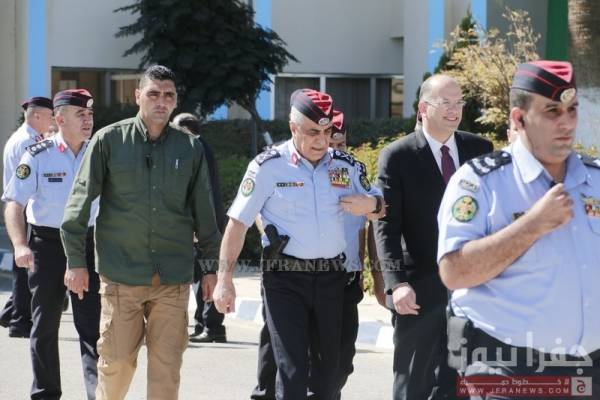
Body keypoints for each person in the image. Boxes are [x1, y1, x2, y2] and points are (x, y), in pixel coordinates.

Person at [437, 60, 600, 398]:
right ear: (519, 118)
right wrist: (532, 225)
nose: (566, 122)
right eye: (552, 111)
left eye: (572, 110)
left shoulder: (594, 180)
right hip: (509, 369)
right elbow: (454, 272)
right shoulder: (480, 182)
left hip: (589, 371)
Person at [60, 65, 221, 400]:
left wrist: (210, 268)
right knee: (116, 365)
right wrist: (75, 262)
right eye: (153, 94)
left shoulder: (190, 148)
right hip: (122, 276)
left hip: (173, 278)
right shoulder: (109, 140)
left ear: (175, 101)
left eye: (169, 95)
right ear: (137, 96)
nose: (161, 101)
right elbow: (78, 203)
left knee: (166, 370)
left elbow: (205, 213)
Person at [214, 89, 385, 400]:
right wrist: (224, 279)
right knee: (292, 372)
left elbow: (381, 205)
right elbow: (237, 224)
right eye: (312, 132)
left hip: (331, 278)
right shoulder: (268, 167)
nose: (321, 141)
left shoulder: (346, 166)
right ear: (293, 128)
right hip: (285, 279)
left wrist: (370, 204)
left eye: (327, 133)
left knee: (328, 378)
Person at [373, 74, 492, 400]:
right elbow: (386, 227)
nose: (455, 110)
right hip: (417, 291)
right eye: (445, 103)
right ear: (423, 108)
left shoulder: (480, 150)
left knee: (458, 385)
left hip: (469, 290)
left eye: (459, 103)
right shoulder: (397, 156)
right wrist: (396, 283)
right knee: (413, 383)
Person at [249, 109, 371, 400]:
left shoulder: (350, 171)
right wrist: (270, 234)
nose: (329, 145)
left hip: (340, 275)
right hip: (289, 272)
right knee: (285, 358)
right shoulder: (279, 165)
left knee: (337, 363)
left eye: (338, 141)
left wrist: (366, 270)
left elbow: (367, 224)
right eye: (321, 135)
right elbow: (259, 211)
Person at [2, 89, 100, 399]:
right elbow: (14, 203)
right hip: (48, 245)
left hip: (88, 244)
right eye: (80, 114)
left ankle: (98, 393)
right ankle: (45, 393)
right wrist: (20, 245)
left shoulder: (99, 152)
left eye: (90, 114)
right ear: (60, 119)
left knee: (93, 326)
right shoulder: (38, 154)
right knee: (45, 324)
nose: (88, 120)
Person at [0, 96, 54, 338]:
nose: (53, 121)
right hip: (23, 209)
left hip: (23, 207)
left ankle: (11, 314)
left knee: (24, 265)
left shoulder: (25, 137)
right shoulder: (27, 142)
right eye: (50, 116)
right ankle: (19, 321)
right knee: (25, 267)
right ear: (37, 116)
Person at [172, 112, 228, 343]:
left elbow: (203, 193)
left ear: (186, 130)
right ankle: (202, 323)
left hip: (207, 224)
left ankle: (212, 327)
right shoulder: (198, 147)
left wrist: (198, 226)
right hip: (204, 223)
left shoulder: (197, 148)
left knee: (209, 273)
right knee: (200, 276)